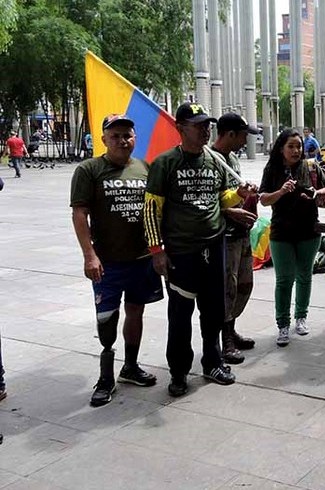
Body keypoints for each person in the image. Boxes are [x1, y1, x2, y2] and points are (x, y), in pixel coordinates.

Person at [144, 102, 255, 397]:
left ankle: (213, 361)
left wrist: (238, 195)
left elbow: (220, 198)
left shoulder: (213, 161)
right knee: (180, 314)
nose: (206, 130)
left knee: (214, 311)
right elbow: (151, 210)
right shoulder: (165, 163)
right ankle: (179, 372)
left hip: (215, 245)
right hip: (181, 251)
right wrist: (157, 251)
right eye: (198, 125)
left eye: (208, 125)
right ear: (180, 128)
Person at [69, 114, 163, 407]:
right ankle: (105, 377)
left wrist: (159, 250)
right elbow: (79, 214)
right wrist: (89, 255)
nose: (123, 141)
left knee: (136, 312)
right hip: (107, 262)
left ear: (135, 138)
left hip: (142, 259)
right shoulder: (89, 170)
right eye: (116, 136)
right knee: (107, 319)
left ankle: (130, 367)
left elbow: (156, 209)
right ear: (104, 140)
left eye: (128, 135)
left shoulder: (144, 168)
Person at [260, 129, 325, 346]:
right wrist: (281, 191)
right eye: (291, 146)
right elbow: (263, 199)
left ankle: (301, 317)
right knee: (284, 279)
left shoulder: (311, 166)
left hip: (308, 232)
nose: (296, 150)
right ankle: (282, 323)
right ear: (281, 148)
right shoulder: (272, 169)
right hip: (281, 233)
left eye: (298, 146)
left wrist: (315, 193)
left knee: (304, 275)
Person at [212, 113, 260, 364]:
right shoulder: (209, 160)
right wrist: (232, 211)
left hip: (242, 234)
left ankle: (231, 327)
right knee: (227, 289)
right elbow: (206, 201)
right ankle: (225, 338)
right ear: (230, 134)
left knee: (244, 284)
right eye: (243, 136)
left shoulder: (232, 159)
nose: (245, 141)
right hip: (224, 236)